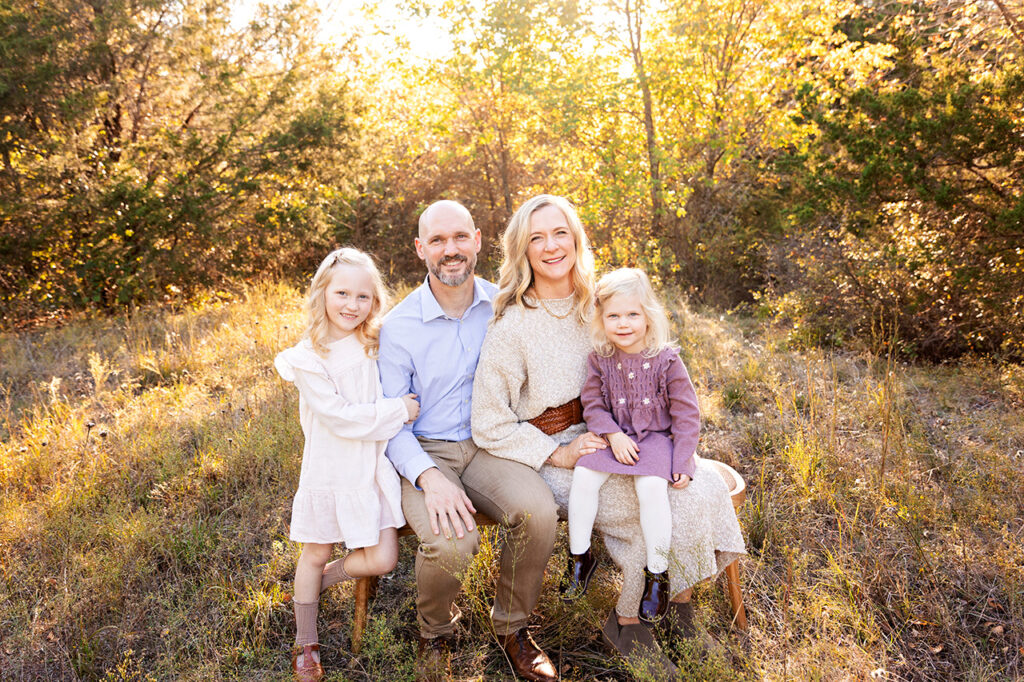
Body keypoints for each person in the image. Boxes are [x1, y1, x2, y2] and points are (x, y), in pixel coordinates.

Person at [471, 194, 745, 673]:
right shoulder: (512, 325)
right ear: (522, 250)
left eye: (561, 233)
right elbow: (488, 420)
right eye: (537, 238)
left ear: (577, 239)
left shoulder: (600, 303)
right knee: (640, 505)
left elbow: (652, 358)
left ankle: (678, 607)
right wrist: (558, 454)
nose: (551, 246)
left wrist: (665, 439)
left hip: (630, 435)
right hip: (559, 451)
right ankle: (627, 623)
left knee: (696, 488)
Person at [378, 199, 563, 682]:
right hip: (425, 450)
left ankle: (513, 628)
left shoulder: (505, 306)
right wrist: (428, 477)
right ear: (420, 249)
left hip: (489, 443)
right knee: (452, 543)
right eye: (437, 240)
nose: (451, 249)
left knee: (538, 512)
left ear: (478, 241)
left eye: (460, 236)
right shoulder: (398, 327)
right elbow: (392, 423)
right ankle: (435, 632)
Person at [275, 248, 420, 681]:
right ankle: (306, 643)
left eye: (362, 297)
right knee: (315, 551)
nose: (351, 305)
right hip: (330, 468)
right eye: (341, 293)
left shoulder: (374, 342)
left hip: (370, 468)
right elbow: (340, 418)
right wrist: (398, 410)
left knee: (383, 558)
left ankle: (321, 582)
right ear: (322, 292)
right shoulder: (308, 358)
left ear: (374, 301)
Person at [564, 267, 700, 627]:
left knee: (651, 487)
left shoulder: (667, 360)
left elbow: (687, 415)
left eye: (632, 315)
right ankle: (580, 558)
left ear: (648, 316)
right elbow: (593, 405)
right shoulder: (600, 359)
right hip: (615, 436)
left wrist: (683, 461)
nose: (623, 323)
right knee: (584, 475)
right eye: (613, 316)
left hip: (656, 439)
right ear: (601, 320)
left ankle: (657, 574)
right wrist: (612, 435)